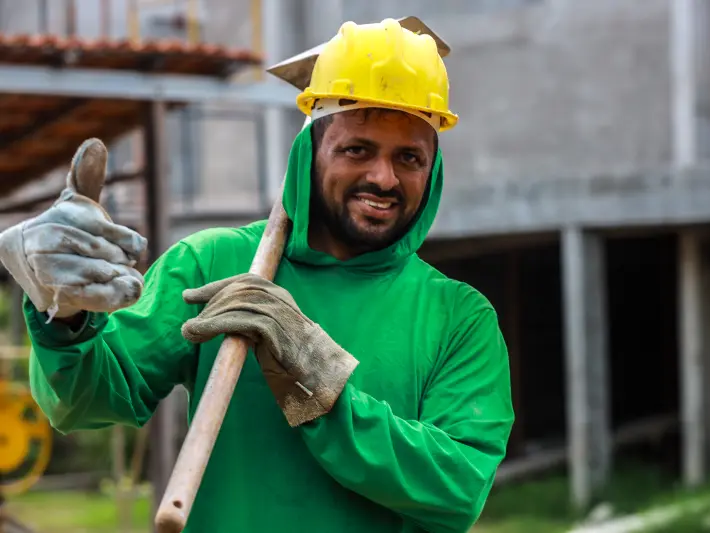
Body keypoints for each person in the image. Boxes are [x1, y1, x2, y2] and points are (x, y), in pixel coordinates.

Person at [0, 18, 515, 533]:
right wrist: (63, 311)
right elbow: (89, 399)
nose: (383, 177)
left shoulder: (459, 318)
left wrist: (316, 376)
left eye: (409, 158)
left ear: (434, 170)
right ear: (309, 152)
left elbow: (457, 487)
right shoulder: (214, 265)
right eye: (357, 149)